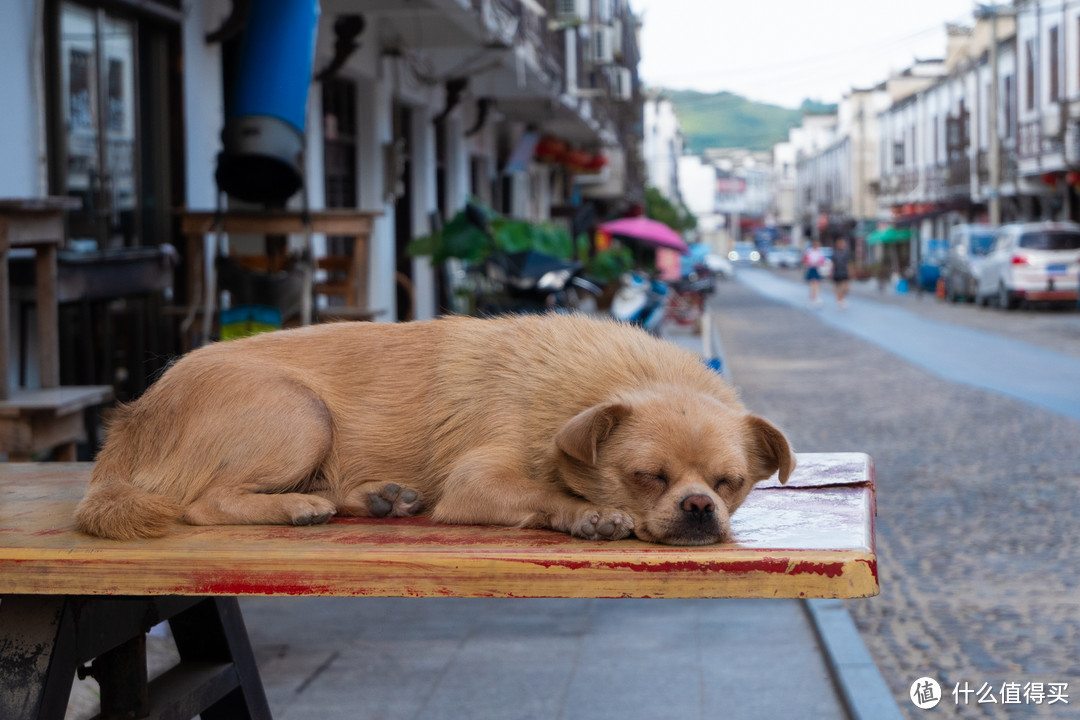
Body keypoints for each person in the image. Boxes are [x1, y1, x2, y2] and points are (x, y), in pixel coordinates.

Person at [803, 239, 827, 306]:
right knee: (812, 283)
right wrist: (809, 263)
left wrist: (820, 263)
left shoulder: (820, 252)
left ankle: (815, 296)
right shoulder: (809, 251)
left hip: (817, 268)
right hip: (811, 268)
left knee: (816, 283)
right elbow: (806, 259)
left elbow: (823, 260)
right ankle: (812, 297)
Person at [832, 236, 853, 309]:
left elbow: (849, 263)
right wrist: (831, 272)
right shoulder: (835, 253)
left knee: (845, 287)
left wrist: (851, 272)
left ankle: (842, 298)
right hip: (837, 271)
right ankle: (839, 300)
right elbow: (833, 263)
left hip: (844, 271)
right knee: (838, 287)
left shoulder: (846, 253)